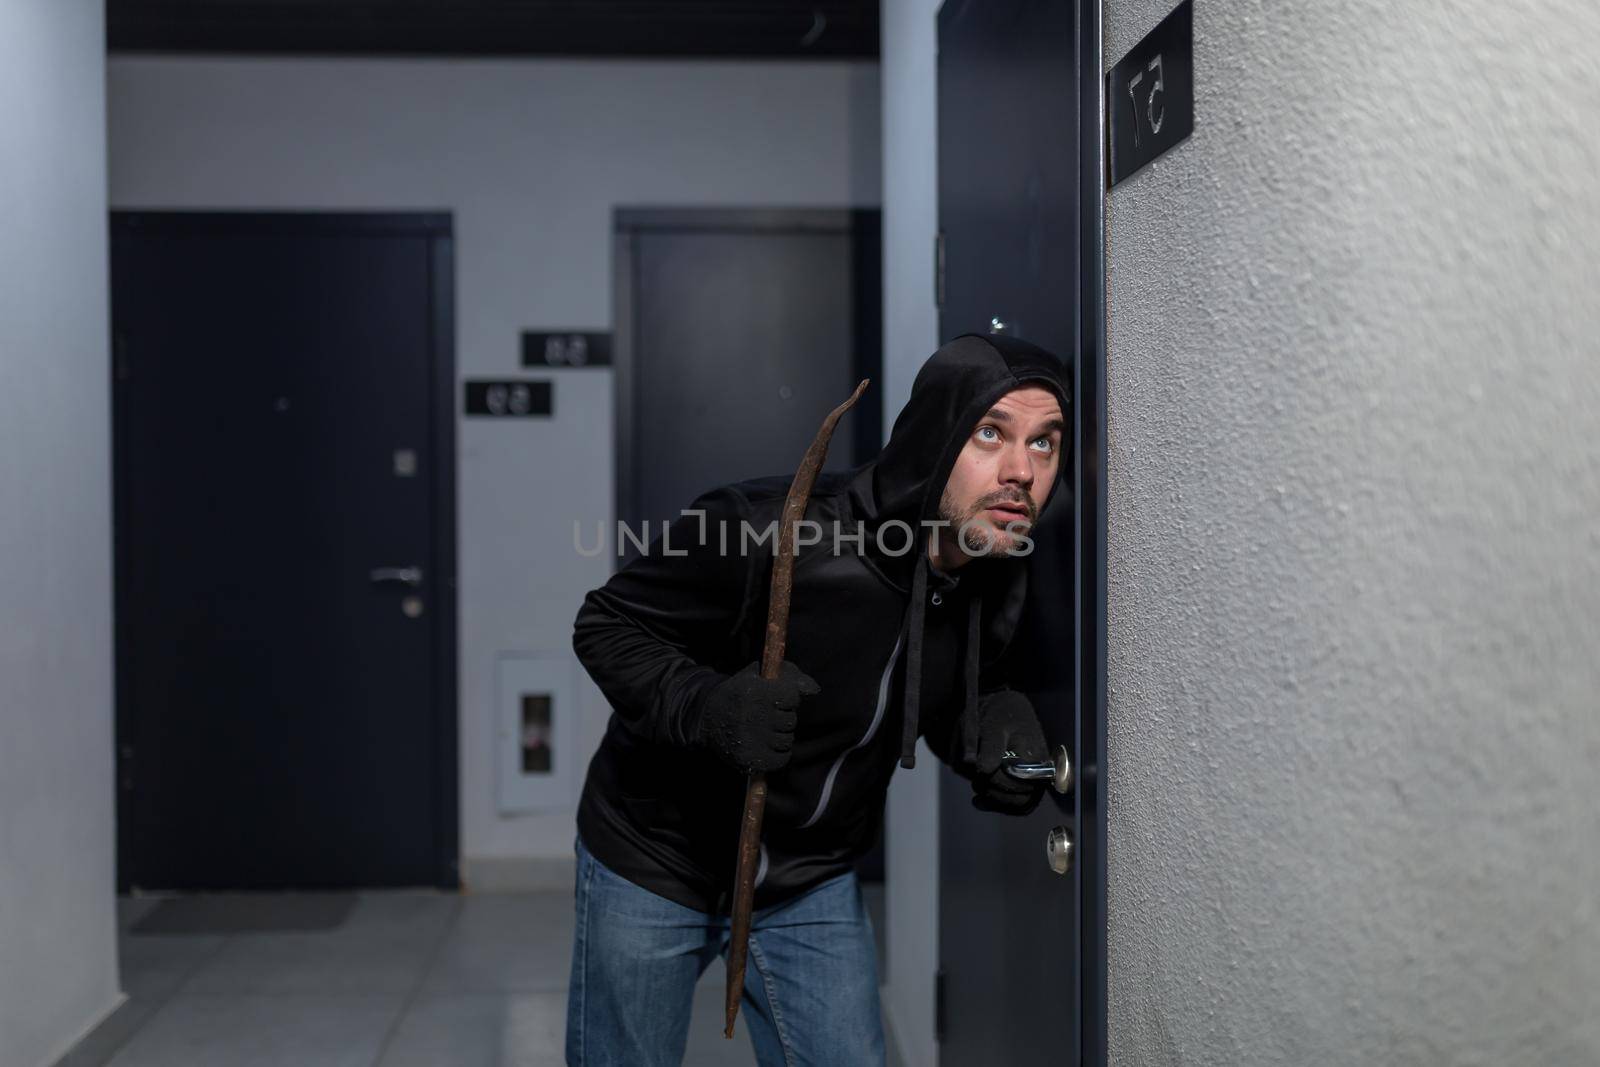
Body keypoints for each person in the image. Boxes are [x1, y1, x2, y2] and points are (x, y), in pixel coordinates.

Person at [566, 334, 1070, 1066]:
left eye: (1045, 442)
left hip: (811, 880)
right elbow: (607, 624)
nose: (1022, 470)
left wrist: (981, 727)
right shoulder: (761, 529)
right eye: (991, 432)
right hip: (656, 860)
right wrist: (708, 707)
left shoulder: (995, 568)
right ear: (934, 435)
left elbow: (914, 686)